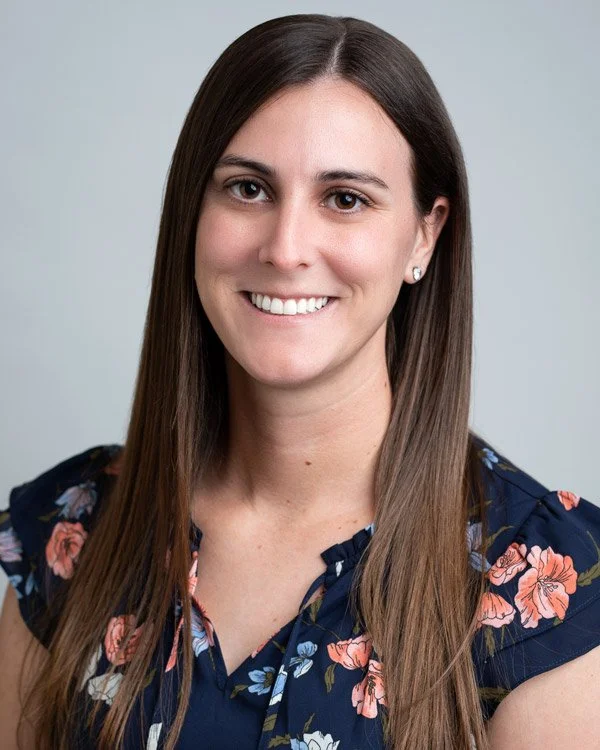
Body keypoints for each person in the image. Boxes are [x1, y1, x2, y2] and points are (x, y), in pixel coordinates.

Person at [0, 12, 599, 750]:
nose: (285, 249)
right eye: (248, 189)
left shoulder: (541, 587)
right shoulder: (78, 535)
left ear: (424, 234)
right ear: (194, 210)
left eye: (345, 199)